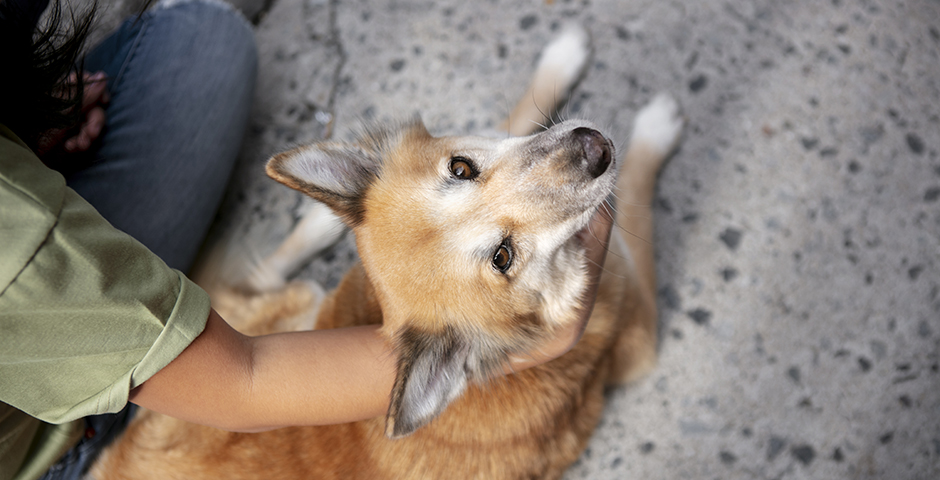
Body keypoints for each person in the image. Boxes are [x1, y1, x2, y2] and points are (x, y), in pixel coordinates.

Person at [0, 0, 614, 479]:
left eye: (461, 171)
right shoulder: (18, 252)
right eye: (502, 255)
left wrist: (26, 115)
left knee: (204, 36)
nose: (569, 156)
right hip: (55, 432)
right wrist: (522, 344)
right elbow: (243, 379)